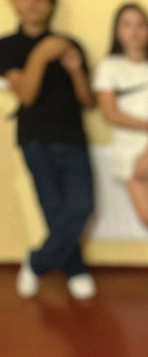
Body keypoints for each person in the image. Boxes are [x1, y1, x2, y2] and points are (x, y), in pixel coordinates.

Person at [0, 0, 96, 300]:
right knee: (54, 213)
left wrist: (76, 69)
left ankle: (37, 262)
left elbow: (88, 100)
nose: (33, 4)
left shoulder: (70, 44)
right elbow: (26, 95)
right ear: (14, 4)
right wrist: (41, 56)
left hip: (73, 139)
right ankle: (75, 269)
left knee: (81, 208)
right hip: (35, 141)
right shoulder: (7, 46)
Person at [93, 3, 148, 298]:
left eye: (140, 25)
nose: (134, 31)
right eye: (127, 25)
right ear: (118, 31)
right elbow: (109, 112)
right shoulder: (109, 67)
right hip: (129, 154)